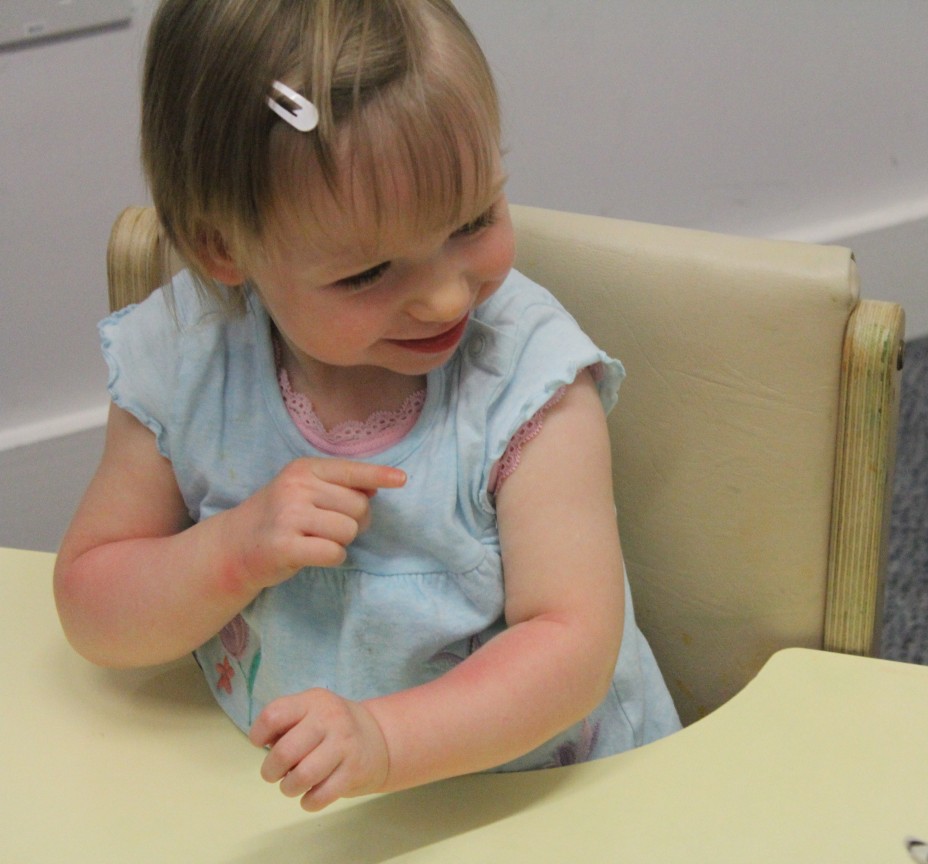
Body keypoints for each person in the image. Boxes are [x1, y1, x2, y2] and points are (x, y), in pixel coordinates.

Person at [53, 0, 680, 812]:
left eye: (473, 221)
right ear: (225, 249)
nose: (447, 297)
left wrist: (385, 740)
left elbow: (571, 645)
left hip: (546, 796)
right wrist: (236, 548)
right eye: (367, 273)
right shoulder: (186, 357)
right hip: (283, 803)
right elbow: (94, 608)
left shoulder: (529, 379)